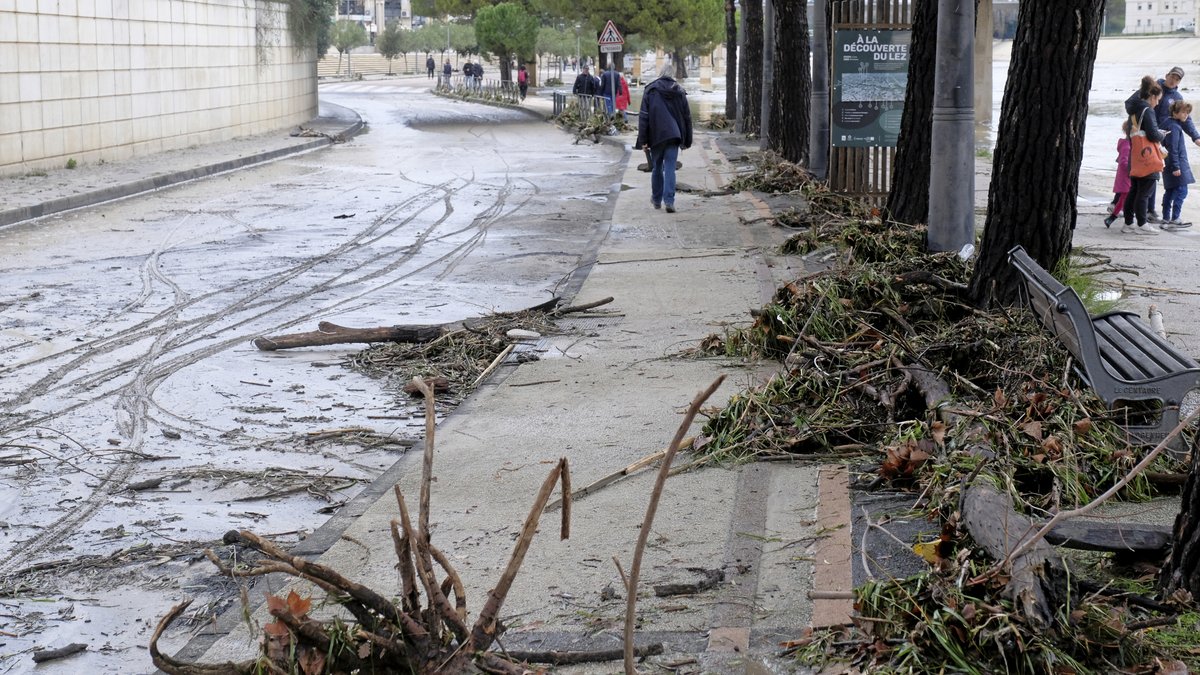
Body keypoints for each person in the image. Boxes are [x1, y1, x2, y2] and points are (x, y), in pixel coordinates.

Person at [1126, 66, 1200, 222]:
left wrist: (1195, 137)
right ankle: (1144, 212)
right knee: (1144, 175)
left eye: (1178, 79)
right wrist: (1141, 114)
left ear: (1180, 81)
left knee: (1154, 175)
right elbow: (1130, 104)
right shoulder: (1153, 88)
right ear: (1167, 75)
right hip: (1146, 138)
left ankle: (1149, 212)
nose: (1174, 80)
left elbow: (1185, 118)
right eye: (1172, 76)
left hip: (1162, 142)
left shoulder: (1177, 97)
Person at [634, 74, 693, 213]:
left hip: (656, 136)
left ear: (660, 75)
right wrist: (687, 140)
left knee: (657, 168)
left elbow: (643, 116)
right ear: (672, 76)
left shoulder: (650, 90)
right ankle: (669, 201)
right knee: (670, 168)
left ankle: (656, 200)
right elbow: (687, 117)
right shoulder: (679, 91)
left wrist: (643, 140)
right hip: (674, 135)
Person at [1122, 75, 1167, 235]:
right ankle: (1142, 224)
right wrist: (1162, 135)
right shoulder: (1148, 111)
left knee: (1134, 190)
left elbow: (1132, 132)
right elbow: (1153, 135)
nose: (1158, 103)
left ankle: (1128, 223)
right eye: (1158, 99)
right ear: (1152, 96)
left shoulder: (1133, 112)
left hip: (1135, 158)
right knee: (1144, 192)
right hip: (1148, 159)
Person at [1162, 99, 1196, 228]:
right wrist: (1176, 166)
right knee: (1182, 190)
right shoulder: (1174, 127)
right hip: (1177, 164)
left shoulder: (1167, 123)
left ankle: (1165, 218)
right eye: (1183, 113)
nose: (1186, 115)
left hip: (1167, 163)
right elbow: (1173, 148)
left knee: (1170, 191)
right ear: (1175, 113)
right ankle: (1175, 218)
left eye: (1187, 113)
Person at [1104, 119, 1133, 228]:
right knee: (1124, 198)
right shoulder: (1127, 146)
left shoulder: (1127, 144)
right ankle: (1115, 218)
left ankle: (1114, 217)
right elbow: (1123, 162)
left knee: (1123, 198)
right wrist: (1131, 170)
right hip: (1126, 177)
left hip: (1125, 176)